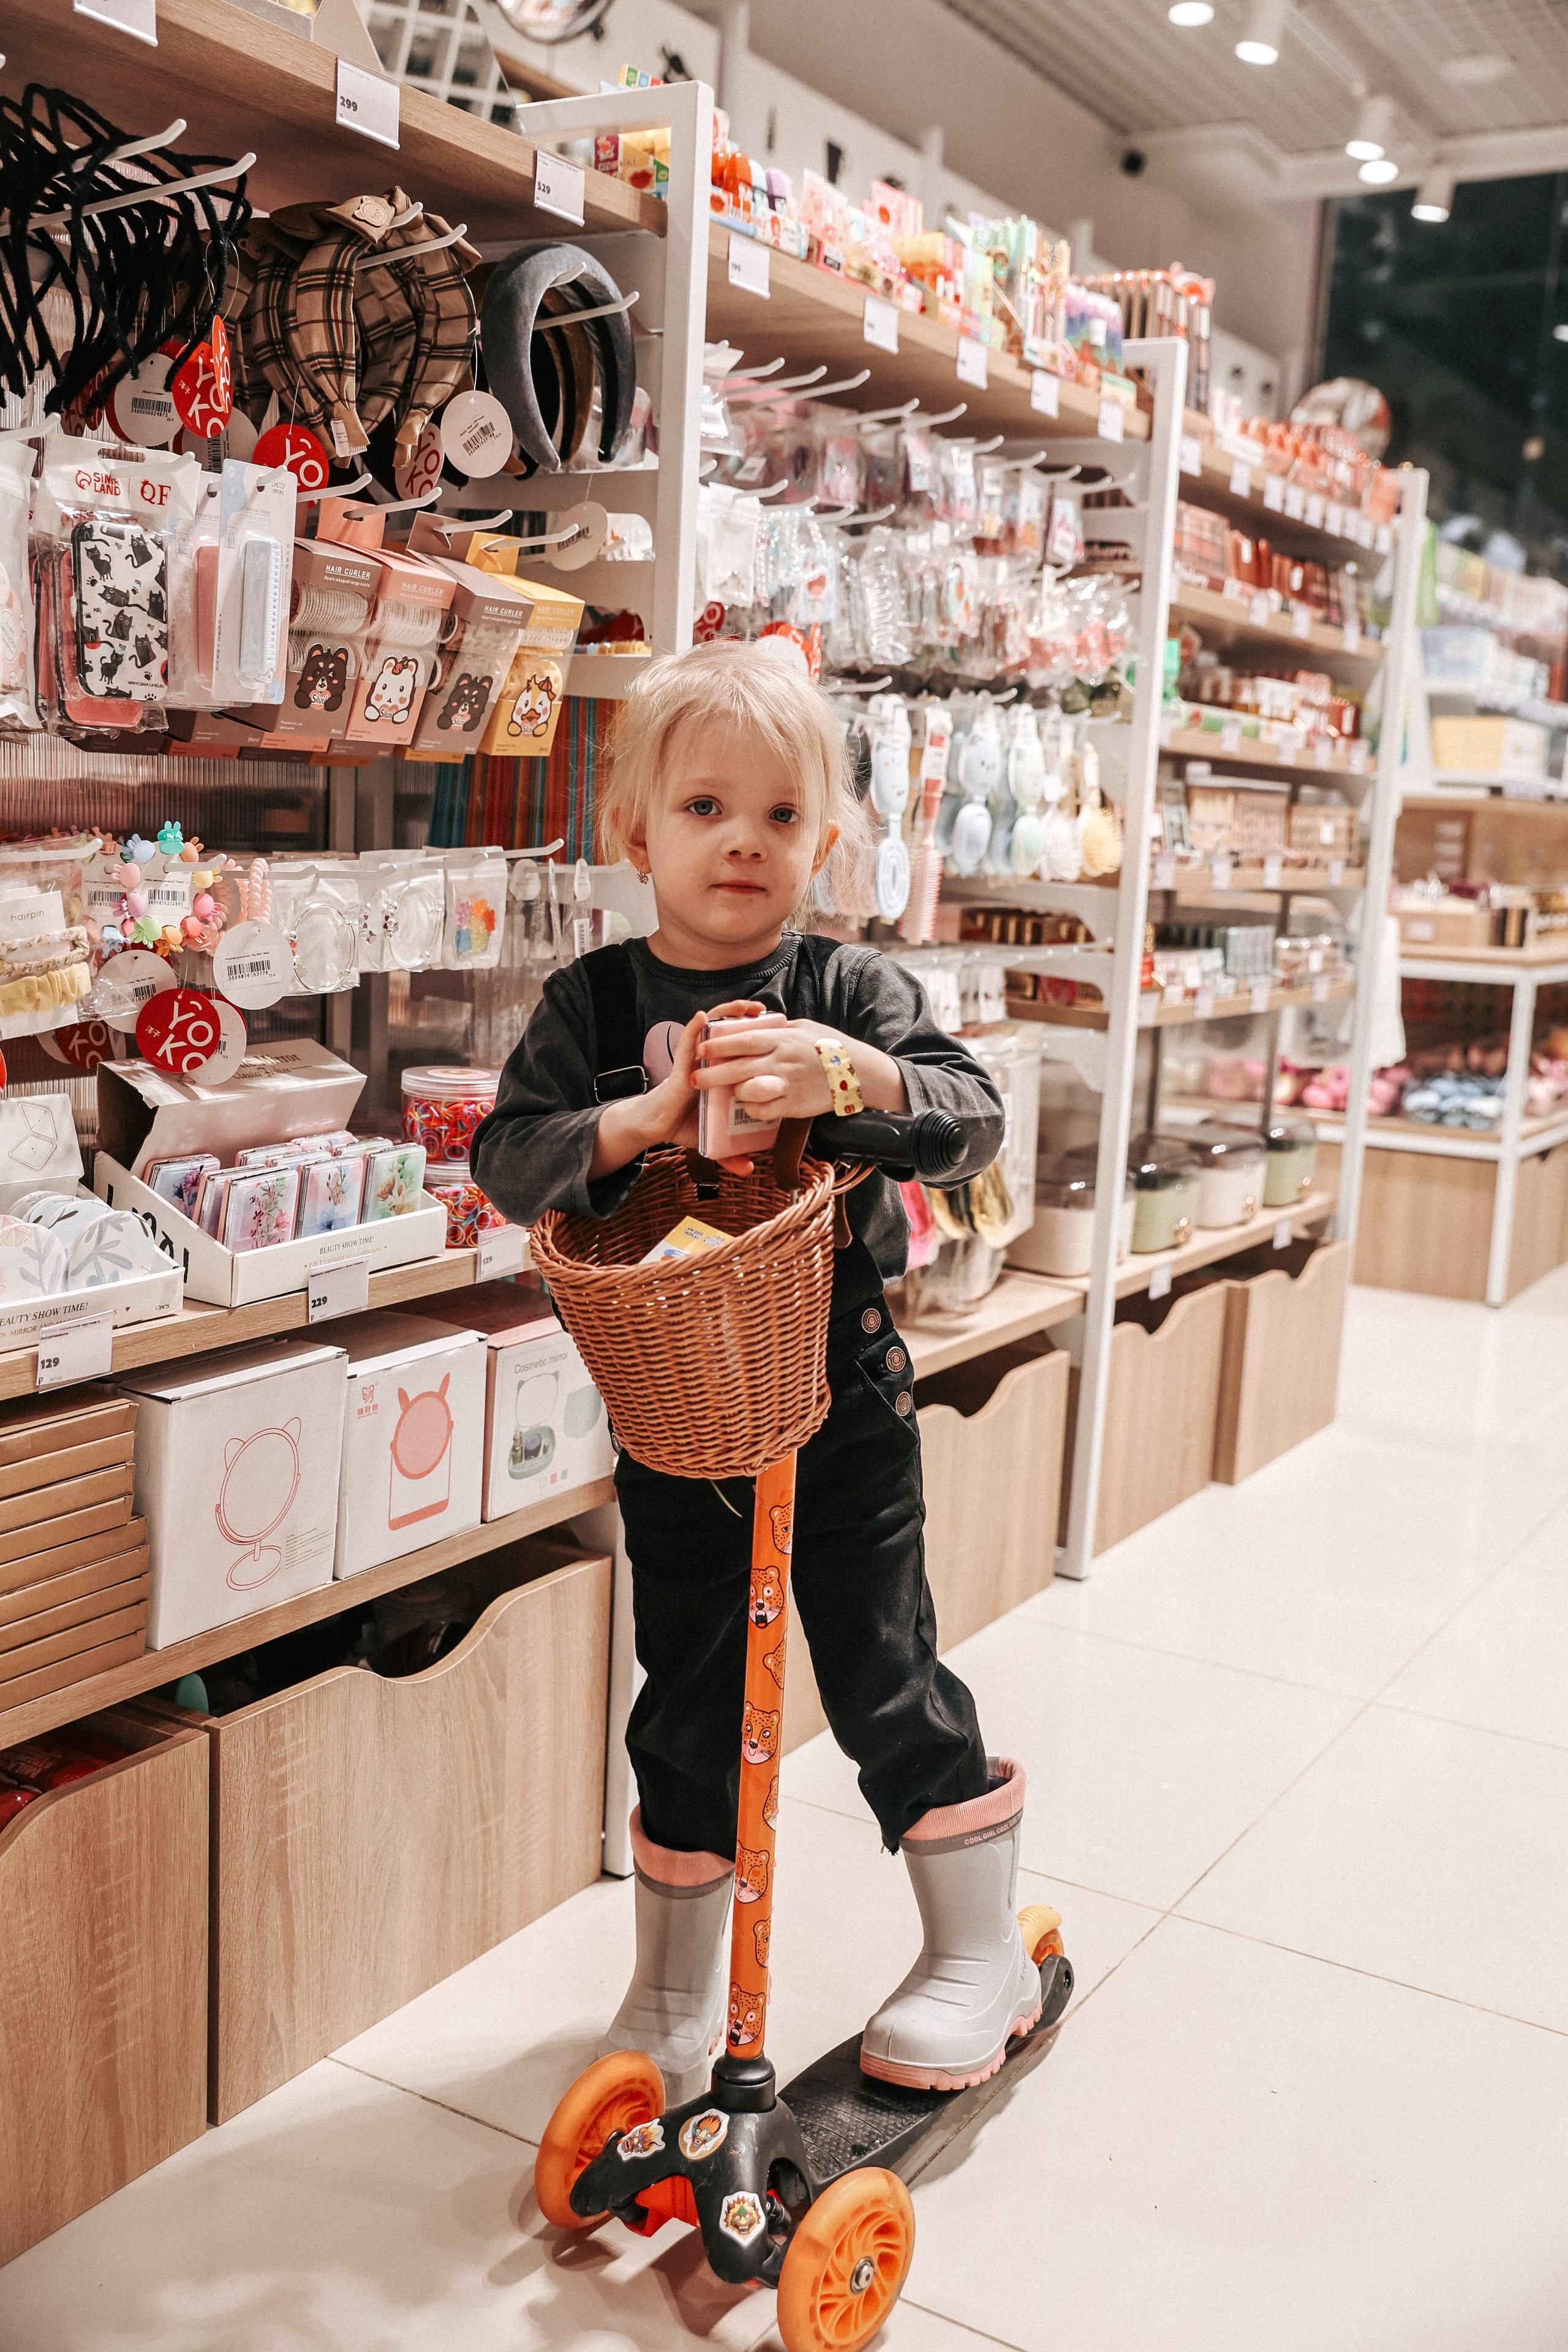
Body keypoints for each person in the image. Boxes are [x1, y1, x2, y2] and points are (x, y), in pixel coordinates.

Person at [473, 642, 1041, 2098]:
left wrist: (843, 1074)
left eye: (780, 818)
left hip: (840, 1394)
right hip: (674, 1409)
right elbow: (511, 1160)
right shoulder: (592, 1004)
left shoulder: (844, 981)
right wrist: (644, 1117)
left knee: (875, 1658)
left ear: (824, 842)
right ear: (633, 833)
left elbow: (971, 1116)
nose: (742, 841)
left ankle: (973, 1955)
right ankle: (670, 1989)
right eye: (705, 808)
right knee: (686, 1685)